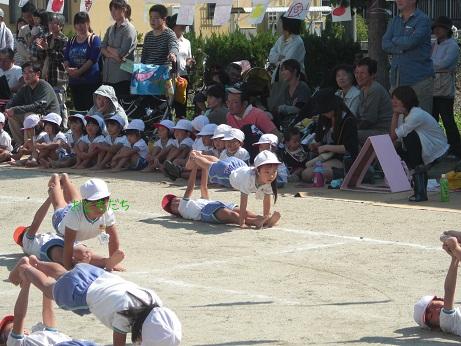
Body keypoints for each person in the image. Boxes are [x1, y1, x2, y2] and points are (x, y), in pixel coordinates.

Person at [8, 257, 181, 346]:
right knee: (48, 288)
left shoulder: (152, 299)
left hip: (95, 275)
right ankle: (28, 269)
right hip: (81, 294)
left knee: (63, 275)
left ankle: (36, 263)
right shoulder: (124, 317)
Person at [186, 150, 282, 228]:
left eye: (274, 171)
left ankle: (200, 154)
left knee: (217, 162)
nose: (272, 175)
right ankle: (195, 156)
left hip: (239, 166)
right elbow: (243, 202)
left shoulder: (269, 181)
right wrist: (241, 222)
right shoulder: (248, 179)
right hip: (226, 173)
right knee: (208, 165)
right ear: (258, 171)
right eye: (267, 172)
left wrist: (266, 217)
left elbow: (266, 199)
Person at [161, 164, 275, 228]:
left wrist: (204, 167)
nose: (175, 203)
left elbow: (204, 187)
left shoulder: (195, 201)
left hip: (215, 204)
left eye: (174, 200)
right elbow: (190, 187)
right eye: (172, 206)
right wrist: (195, 167)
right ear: (176, 213)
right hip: (205, 211)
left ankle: (262, 219)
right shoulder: (183, 208)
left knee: (243, 211)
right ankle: (255, 222)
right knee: (232, 215)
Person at [390, 86, 449, 202]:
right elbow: (394, 139)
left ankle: (420, 192)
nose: (393, 102)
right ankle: (417, 177)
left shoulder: (416, 115)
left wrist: (395, 115)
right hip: (426, 148)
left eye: (396, 99)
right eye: (393, 99)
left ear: (405, 100)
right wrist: (396, 115)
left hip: (437, 150)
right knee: (398, 147)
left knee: (409, 136)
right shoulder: (406, 115)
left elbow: (393, 135)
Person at [0, 276, 96, 345]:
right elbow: (19, 316)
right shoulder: (16, 343)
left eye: (22, 328)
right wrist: (26, 283)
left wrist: (45, 281)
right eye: (11, 331)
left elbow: (48, 310)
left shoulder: (40, 333)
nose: (22, 330)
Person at [53, 177, 123, 271]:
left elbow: (113, 238)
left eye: (104, 201)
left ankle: (66, 179)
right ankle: (56, 182)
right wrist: (68, 267)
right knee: (59, 204)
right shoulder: (74, 214)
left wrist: (114, 261)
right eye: (95, 203)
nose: (100, 207)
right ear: (85, 203)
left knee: (75, 200)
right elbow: (69, 243)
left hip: (78, 210)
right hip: (62, 219)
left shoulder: (108, 212)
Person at [382, 0, 434, 113]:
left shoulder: (423, 19)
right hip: (397, 81)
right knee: (399, 123)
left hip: (419, 81)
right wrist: (402, 48)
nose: (398, 0)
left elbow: (411, 42)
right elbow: (385, 44)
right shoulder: (394, 20)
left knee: (421, 123)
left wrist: (394, 39)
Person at [300, 89, 359, 183]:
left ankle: (348, 174)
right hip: (326, 157)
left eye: (325, 111)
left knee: (309, 174)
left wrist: (326, 147)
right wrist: (316, 145)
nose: (324, 113)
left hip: (343, 159)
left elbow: (350, 148)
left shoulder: (348, 120)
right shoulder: (323, 118)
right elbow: (319, 139)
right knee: (306, 172)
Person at [413, 231, 461, 336]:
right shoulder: (446, 323)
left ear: (440, 300)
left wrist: (455, 258)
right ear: (435, 327)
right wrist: (455, 249)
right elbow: (449, 290)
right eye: (430, 316)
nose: (434, 311)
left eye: (432, 306)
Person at [5, 62, 60, 146]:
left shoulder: (44, 86)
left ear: (37, 74)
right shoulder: (25, 88)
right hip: (37, 117)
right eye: (24, 73)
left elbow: (39, 106)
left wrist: (15, 109)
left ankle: (30, 147)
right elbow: (13, 101)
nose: (26, 75)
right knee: (12, 115)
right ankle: (21, 146)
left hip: (49, 120)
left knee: (29, 115)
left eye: (30, 72)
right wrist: (7, 110)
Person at [431, 16, 461, 158]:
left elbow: (444, 64)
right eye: (435, 27)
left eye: (440, 27)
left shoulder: (453, 45)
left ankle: (456, 150)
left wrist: (430, 67)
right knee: (432, 120)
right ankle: (439, 149)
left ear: (447, 30)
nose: (437, 30)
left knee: (448, 120)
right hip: (433, 86)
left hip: (444, 88)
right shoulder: (435, 44)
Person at [226, 83, 280, 160]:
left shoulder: (258, 115)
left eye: (235, 102)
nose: (230, 105)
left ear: (244, 104)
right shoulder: (229, 116)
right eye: (228, 102)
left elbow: (277, 136)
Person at [36, 13, 68, 129]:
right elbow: (42, 57)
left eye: (54, 23)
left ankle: (63, 126)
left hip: (58, 76)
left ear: (60, 25)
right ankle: (50, 126)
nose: (51, 25)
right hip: (46, 74)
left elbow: (59, 57)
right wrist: (40, 49)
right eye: (50, 22)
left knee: (60, 102)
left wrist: (46, 49)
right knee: (48, 102)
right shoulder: (47, 38)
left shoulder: (64, 40)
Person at [64, 12, 101, 111]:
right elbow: (66, 58)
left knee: (91, 111)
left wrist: (79, 72)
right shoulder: (71, 41)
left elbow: (93, 59)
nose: (80, 26)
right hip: (75, 83)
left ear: (88, 23)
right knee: (79, 111)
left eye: (82, 23)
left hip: (90, 82)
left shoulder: (94, 39)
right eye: (77, 23)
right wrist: (68, 69)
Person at [101, 0, 136, 98]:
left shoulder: (129, 29)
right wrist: (111, 53)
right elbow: (102, 47)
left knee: (122, 107)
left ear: (124, 9)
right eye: (111, 10)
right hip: (108, 75)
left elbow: (121, 53)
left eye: (116, 9)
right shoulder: (110, 28)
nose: (113, 12)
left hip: (122, 76)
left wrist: (108, 48)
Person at [354, 57, 393, 145]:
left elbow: (369, 119)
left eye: (362, 73)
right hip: (370, 129)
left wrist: (350, 129)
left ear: (372, 75)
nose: (358, 76)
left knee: (350, 134)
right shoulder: (363, 89)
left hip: (381, 131)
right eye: (356, 72)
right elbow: (358, 116)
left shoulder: (374, 89)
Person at [167, 14, 194, 118]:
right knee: (168, 105)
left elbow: (188, 59)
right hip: (169, 77)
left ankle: (181, 129)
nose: (184, 27)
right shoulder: (168, 40)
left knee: (181, 107)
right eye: (181, 24)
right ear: (174, 25)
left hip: (182, 77)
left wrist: (190, 63)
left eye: (185, 25)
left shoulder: (187, 42)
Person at [273, 59, 311, 128]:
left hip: (301, 126)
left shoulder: (302, 86)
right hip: (287, 127)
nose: (282, 73)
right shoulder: (286, 89)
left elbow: (299, 109)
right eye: (282, 70)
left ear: (294, 71)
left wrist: (282, 108)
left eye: (285, 70)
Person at [268, 16, 305, 83]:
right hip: (279, 78)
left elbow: (287, 62)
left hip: (293, 81)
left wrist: (278, 59)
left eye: (280, 22)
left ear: (287, 25)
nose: (278, 25)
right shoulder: (280, 39)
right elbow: (271, 56)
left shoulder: (297, 41)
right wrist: (280, 57)